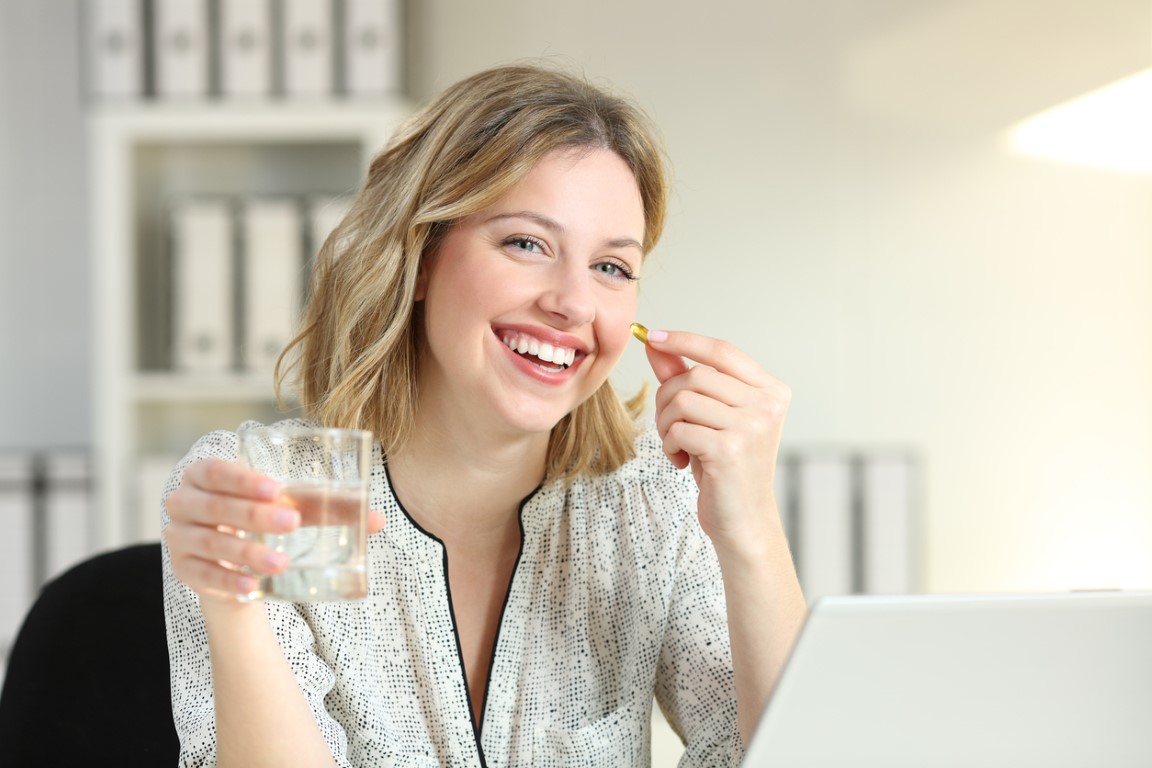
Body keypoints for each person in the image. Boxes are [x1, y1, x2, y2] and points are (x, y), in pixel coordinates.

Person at [162, 62, 806, 768]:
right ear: (422, 257)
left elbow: (797, 755)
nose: (573, 303)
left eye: (612, 268)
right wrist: (235, 607)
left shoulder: (645, 503)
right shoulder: (297, 495)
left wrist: (751, 529)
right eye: (526, 244)